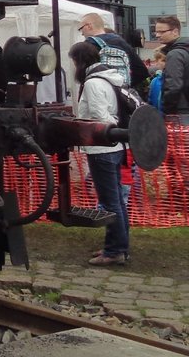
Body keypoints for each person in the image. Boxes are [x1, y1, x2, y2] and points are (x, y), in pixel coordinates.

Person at [69, 40, 129, 265]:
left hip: (101, 148)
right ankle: (119, 246)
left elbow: (99, 117)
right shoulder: (110, 78)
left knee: (110, 202)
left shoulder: (93, 83)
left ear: (79, 61)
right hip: (115, 147)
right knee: (117, 201)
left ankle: (114, 251)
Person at [78, 13, 148, 89]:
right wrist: (123, 86)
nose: (82, 33)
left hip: (99, 93)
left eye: (81, 28)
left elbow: (82, 76)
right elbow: (142, 71)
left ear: (89, 26)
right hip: (121, 95)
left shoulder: (87, 45)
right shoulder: (120, 41)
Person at [154, 15, 189, 115]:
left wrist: (168, 109)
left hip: (181, 110)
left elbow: (173, 86)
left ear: (175, 32)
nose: (157, 35)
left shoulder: (175, 54)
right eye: (156, 31)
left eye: (161, 32)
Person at [147, 47, 167, 113]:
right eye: (164, 60)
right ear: (156, 62)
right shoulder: (154, 81)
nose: (167, 63)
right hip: (157, 119)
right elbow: (150, 102)